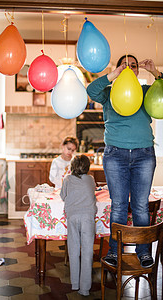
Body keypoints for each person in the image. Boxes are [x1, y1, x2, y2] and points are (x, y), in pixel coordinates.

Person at [87, 55, 161, 269]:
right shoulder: (109, 93)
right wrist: (112, 75)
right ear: (118, 68)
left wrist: (155, 73)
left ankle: (144, 253)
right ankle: (114, 252)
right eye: (124, 65)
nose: (129, 68)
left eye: (133, 66)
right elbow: (90, 91)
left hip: (144, 155)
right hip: (115, 155)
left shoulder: (147, 92)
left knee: (140, 206)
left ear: (138, 71)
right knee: (118, 206)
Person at [60, 155, 97, 296]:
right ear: (88, 168)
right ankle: (85, 288)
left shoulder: (67, 179)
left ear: (72, 166)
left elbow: (63, 196)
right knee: (87, 252)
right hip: (88, 217)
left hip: (72, 216)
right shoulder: (91, 179)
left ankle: (74, 283)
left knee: (73, 249)